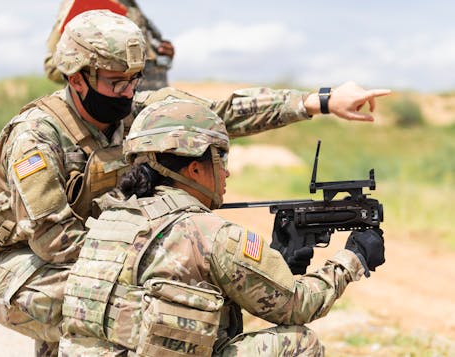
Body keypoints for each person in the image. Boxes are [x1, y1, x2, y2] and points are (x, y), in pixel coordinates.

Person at [0, 9, 390, 357]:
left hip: (97, 258)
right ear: (77, 78)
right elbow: (54, 242)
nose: (129, 92)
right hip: (19, 270)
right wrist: (159, 255)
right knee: (174, 307)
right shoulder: (36, 137)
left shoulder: (133, 110)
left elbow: (221, 113)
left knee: (160, 293)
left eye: (134, 79)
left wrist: (320, 101)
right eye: (117, 82)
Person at [58, 99, 386, 356]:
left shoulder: (110, 219)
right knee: (298, 342)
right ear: (196, 168)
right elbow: (297, 306)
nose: (226, 174)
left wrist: (281, 264)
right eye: (221, 161)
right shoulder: (210, 234)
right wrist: (353, 258)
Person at [44, 0, 175, 90]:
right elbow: (53, 68)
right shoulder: (84, 3)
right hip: (114, 112)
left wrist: (160, 54)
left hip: (147, 105)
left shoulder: (130, 4)